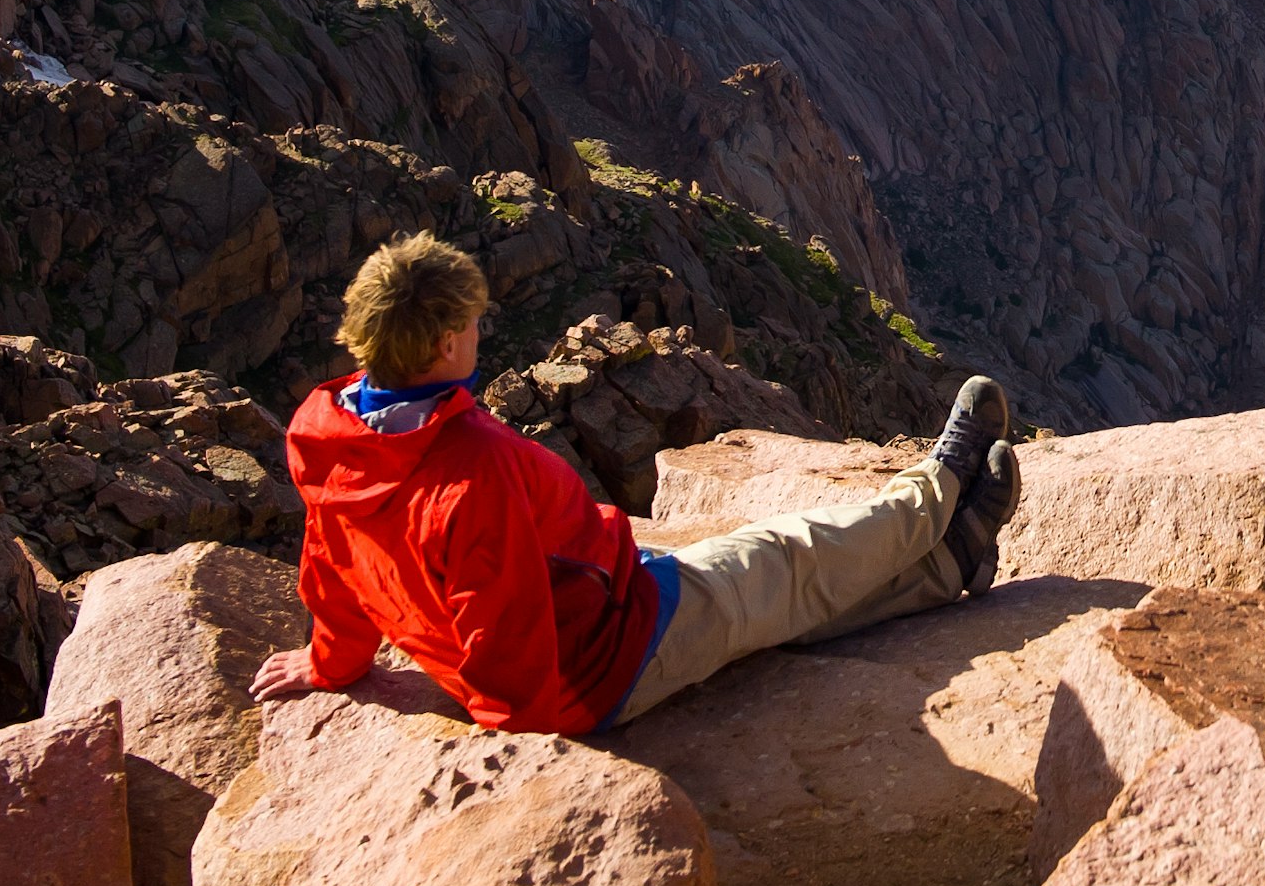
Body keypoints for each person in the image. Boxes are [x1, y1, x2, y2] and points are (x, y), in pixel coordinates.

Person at [253, 232, 1020, 732]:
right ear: (448, 341)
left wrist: (333, 662)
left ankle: (953, 559)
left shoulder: (324, 429)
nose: (483, 333)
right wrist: (521, 741)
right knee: (788, 559)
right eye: (476, 324)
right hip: (611, 645)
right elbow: (499, 627)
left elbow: (333, 560)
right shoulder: (469, 472)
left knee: (770, 609)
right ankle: (938, 483)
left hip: (596, 602)